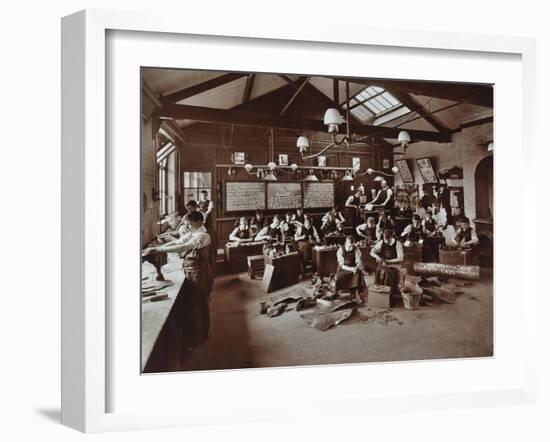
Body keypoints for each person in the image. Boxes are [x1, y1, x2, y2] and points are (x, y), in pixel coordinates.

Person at [143, 211, 214, 344]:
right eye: (186, 224)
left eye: (189, 224)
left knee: (200, 302)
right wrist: (159, 247)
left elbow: (184, 247)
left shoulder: (203, 235)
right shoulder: (193, 232)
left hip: (199, 271)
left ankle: (202, 335)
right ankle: (197, 333)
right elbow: (180, 241)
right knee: (194, 303)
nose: (186, 227)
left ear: (199, 222)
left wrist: (159, 250)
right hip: (191, 269)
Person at [370, 228, 404, 294]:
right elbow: (371, 252)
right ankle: (380, 290)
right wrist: (377, 257)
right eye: (385, 239)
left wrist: (389, 261)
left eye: (388, 240)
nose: (386, 241)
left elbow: (400, 258)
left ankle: (389, 291)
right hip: (384, 263)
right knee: (379, 270)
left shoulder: (397, 244)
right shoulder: (381, 242)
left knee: (388, 273)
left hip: (395, 264)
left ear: (392, 236)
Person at [335, 235, 366, 302]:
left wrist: (358, 265)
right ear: (346, 243)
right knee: (338, 277)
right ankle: (337, 292)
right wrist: (351, 269)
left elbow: (358, 260)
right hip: (344, 268)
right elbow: (341, 265)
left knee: (358, 274)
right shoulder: (341, 250)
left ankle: (355, 292)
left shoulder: (356, 249)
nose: (351, 247)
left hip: (354, 267)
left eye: (352, 245)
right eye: (349, 245)